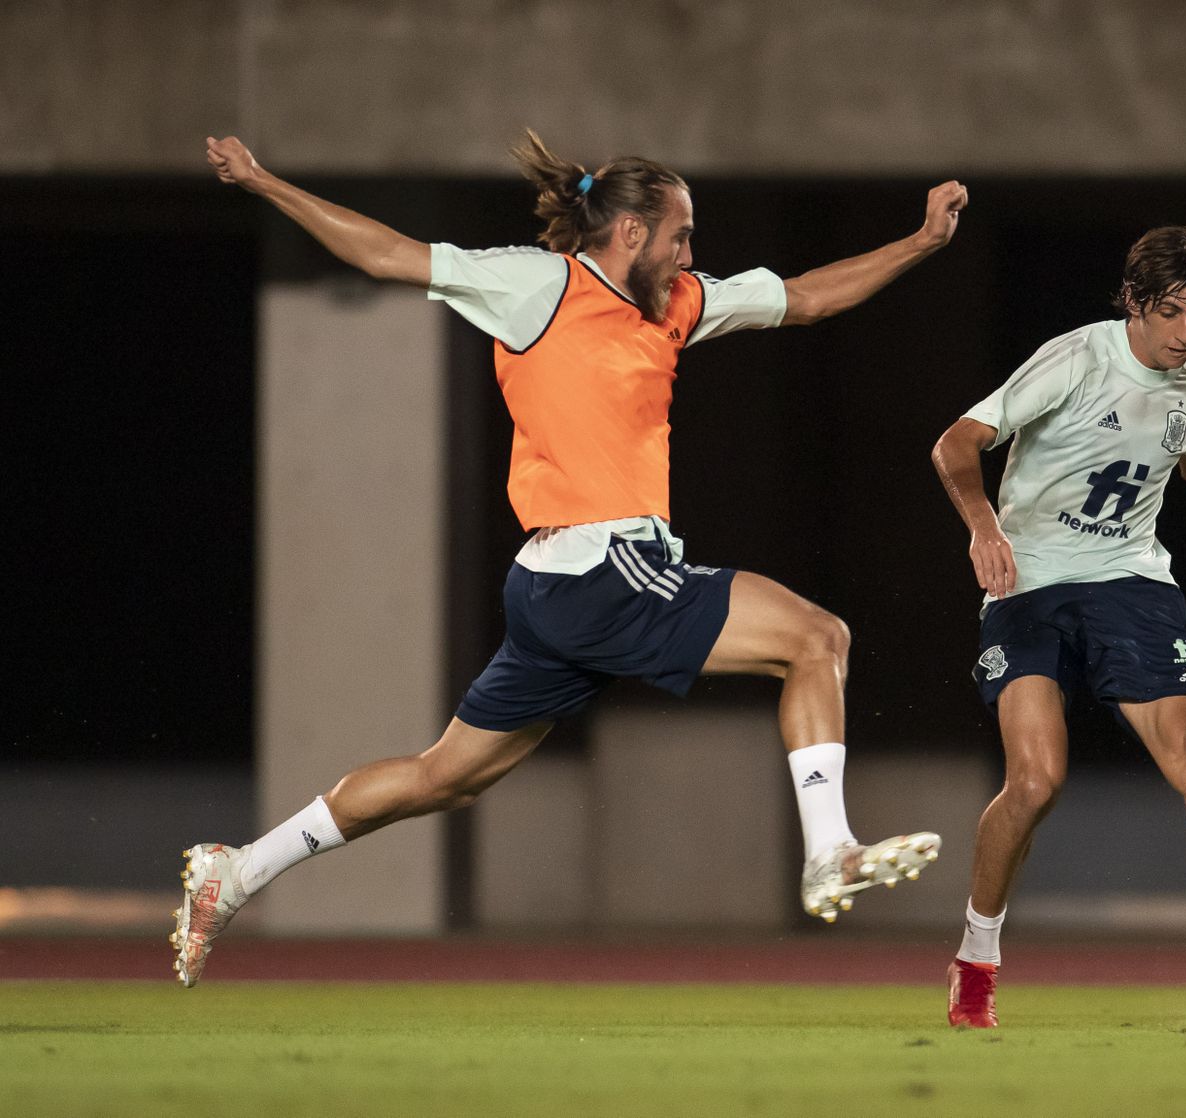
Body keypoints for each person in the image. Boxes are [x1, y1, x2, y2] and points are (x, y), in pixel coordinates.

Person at [173, 131, 967, 986]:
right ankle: (829, 852)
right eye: (680, 235)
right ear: (629, 231)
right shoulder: (538, 285)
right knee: (817, 639)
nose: (689, 252)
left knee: (444, 778)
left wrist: (921, 243)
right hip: (598, 569)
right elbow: (390, 254)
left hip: (556, 589)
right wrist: (266, 185)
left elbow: (807, 297)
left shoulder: (677, 303)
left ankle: (239, 869)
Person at [930, 227, 1186, 1027]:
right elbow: (956, 444)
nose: (1183, 335)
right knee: (1035, 782)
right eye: (1170, 314)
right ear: (1133, 302)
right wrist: (984, 527)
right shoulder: (1076, 359)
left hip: (1130, 584)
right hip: (1028, 583)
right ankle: (977, 957)